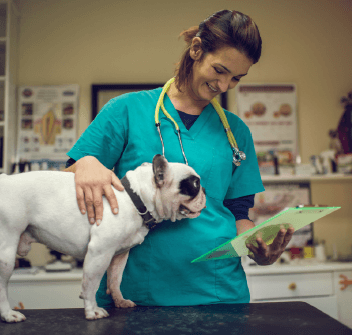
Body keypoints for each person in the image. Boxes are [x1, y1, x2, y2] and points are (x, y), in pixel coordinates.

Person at [65, 9, 294, 308]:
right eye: (219, 70)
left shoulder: (236, 131)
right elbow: (71, 175)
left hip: (218, 291)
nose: (224, 86)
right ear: (196, 49)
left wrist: (259, 249)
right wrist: (86, 164)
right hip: (137, 289)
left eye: (236, 78)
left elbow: (240, 212)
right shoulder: (126, 110)